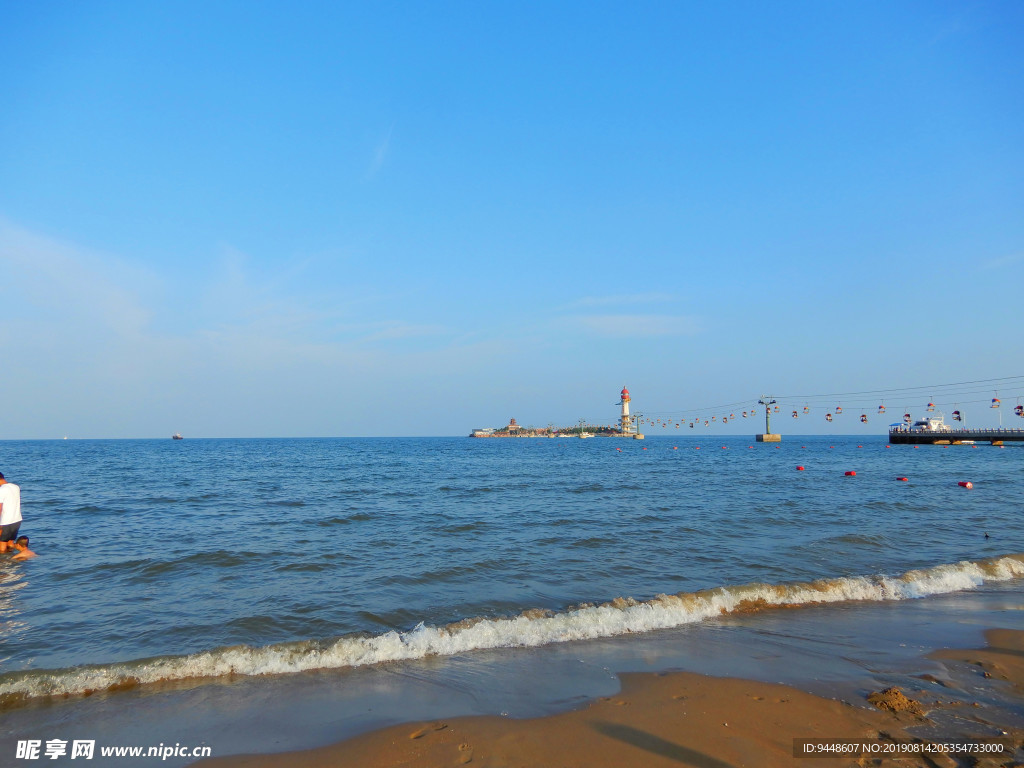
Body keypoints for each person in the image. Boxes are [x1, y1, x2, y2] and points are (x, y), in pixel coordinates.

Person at [0, 472, 22, 554]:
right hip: (17, 519)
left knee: (2, 543)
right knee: (10, 542)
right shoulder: (16, 487)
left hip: (6, 521)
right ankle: (11, 562)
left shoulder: (1, 490)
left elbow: (0, 507)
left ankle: (3, 563)